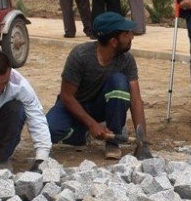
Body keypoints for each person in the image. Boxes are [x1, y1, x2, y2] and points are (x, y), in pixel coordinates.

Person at [46, 12, 147, 160]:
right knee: (48, 130)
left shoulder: (126, 60)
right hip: (75, 106)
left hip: (102, 106)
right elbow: (66, 96)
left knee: (119, 81)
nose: (131, 37)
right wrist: (92, 124)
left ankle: (113, 140)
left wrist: (143, 141)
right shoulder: (80, 56)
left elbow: (136, 100)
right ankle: (83, 133)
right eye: (127, 34)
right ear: (113, 41)